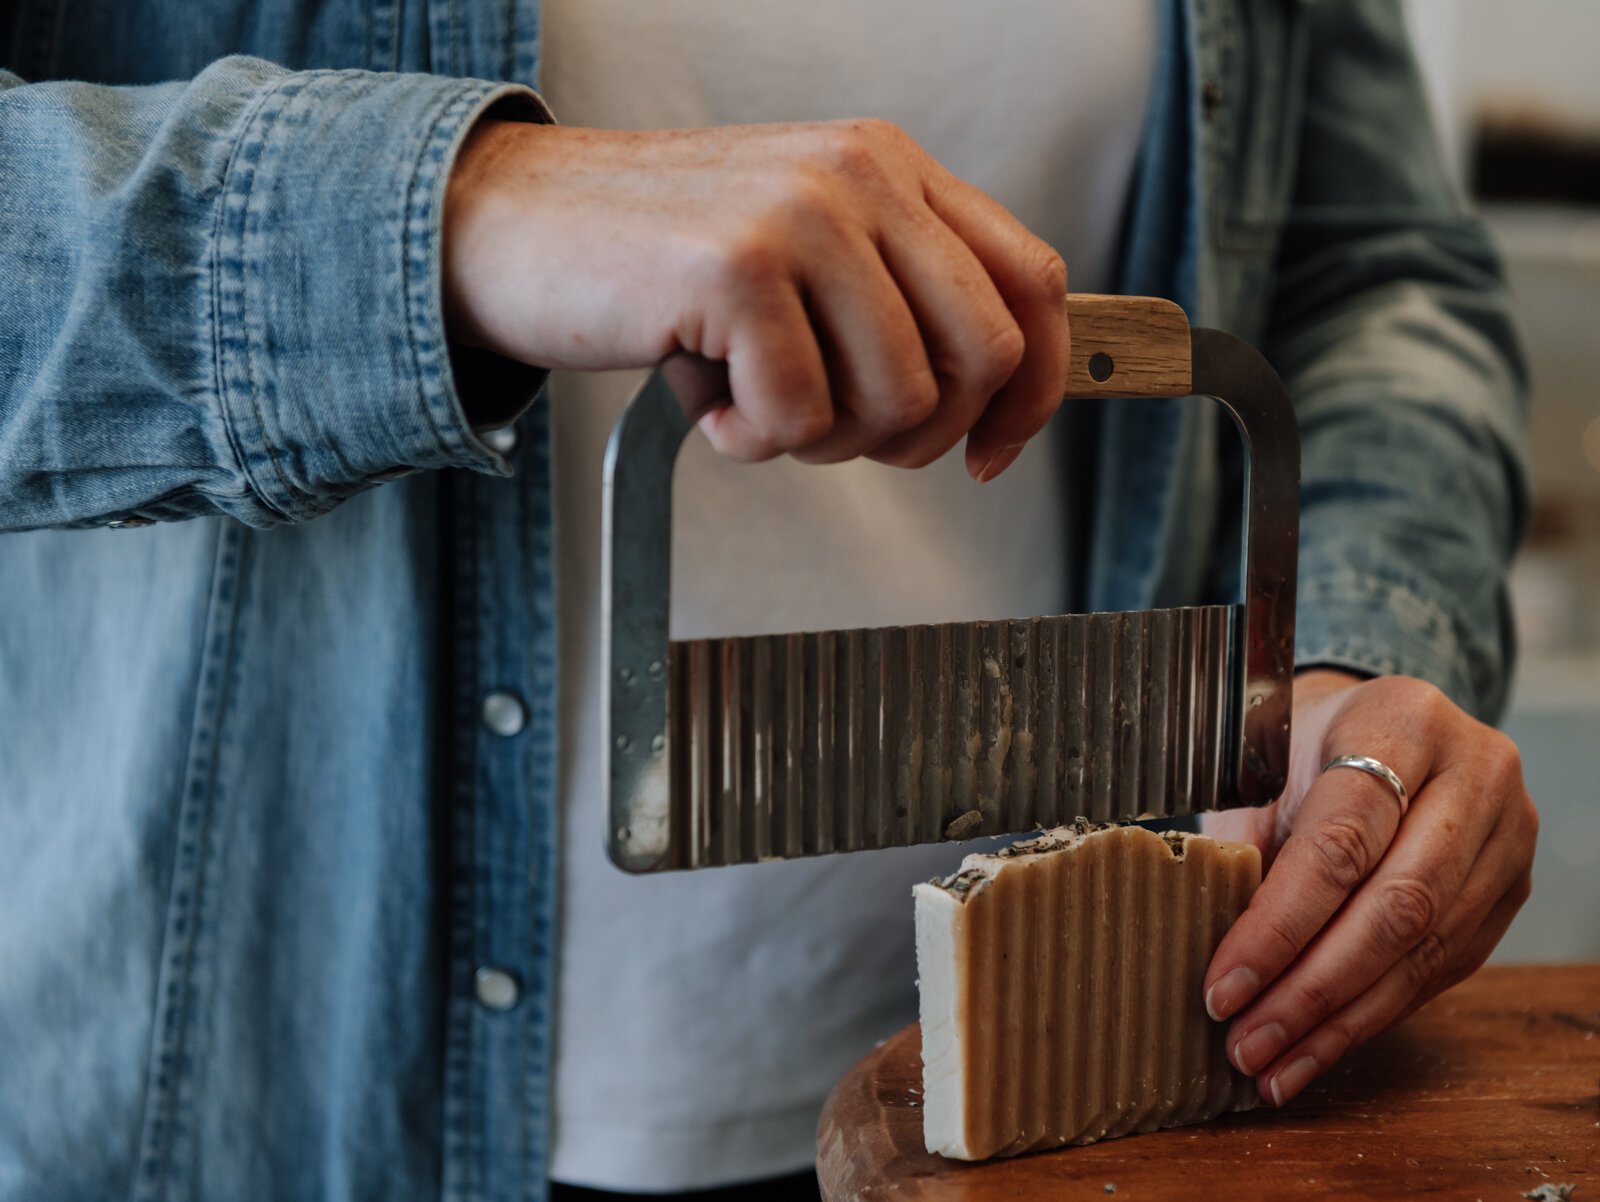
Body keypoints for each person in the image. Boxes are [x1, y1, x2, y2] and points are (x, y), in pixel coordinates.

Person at [0, 0, 1537, 1199]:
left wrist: (1347, 660)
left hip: (1089, 1075)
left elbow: (1369, 271)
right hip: (260, 1101)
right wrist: (452, 212)